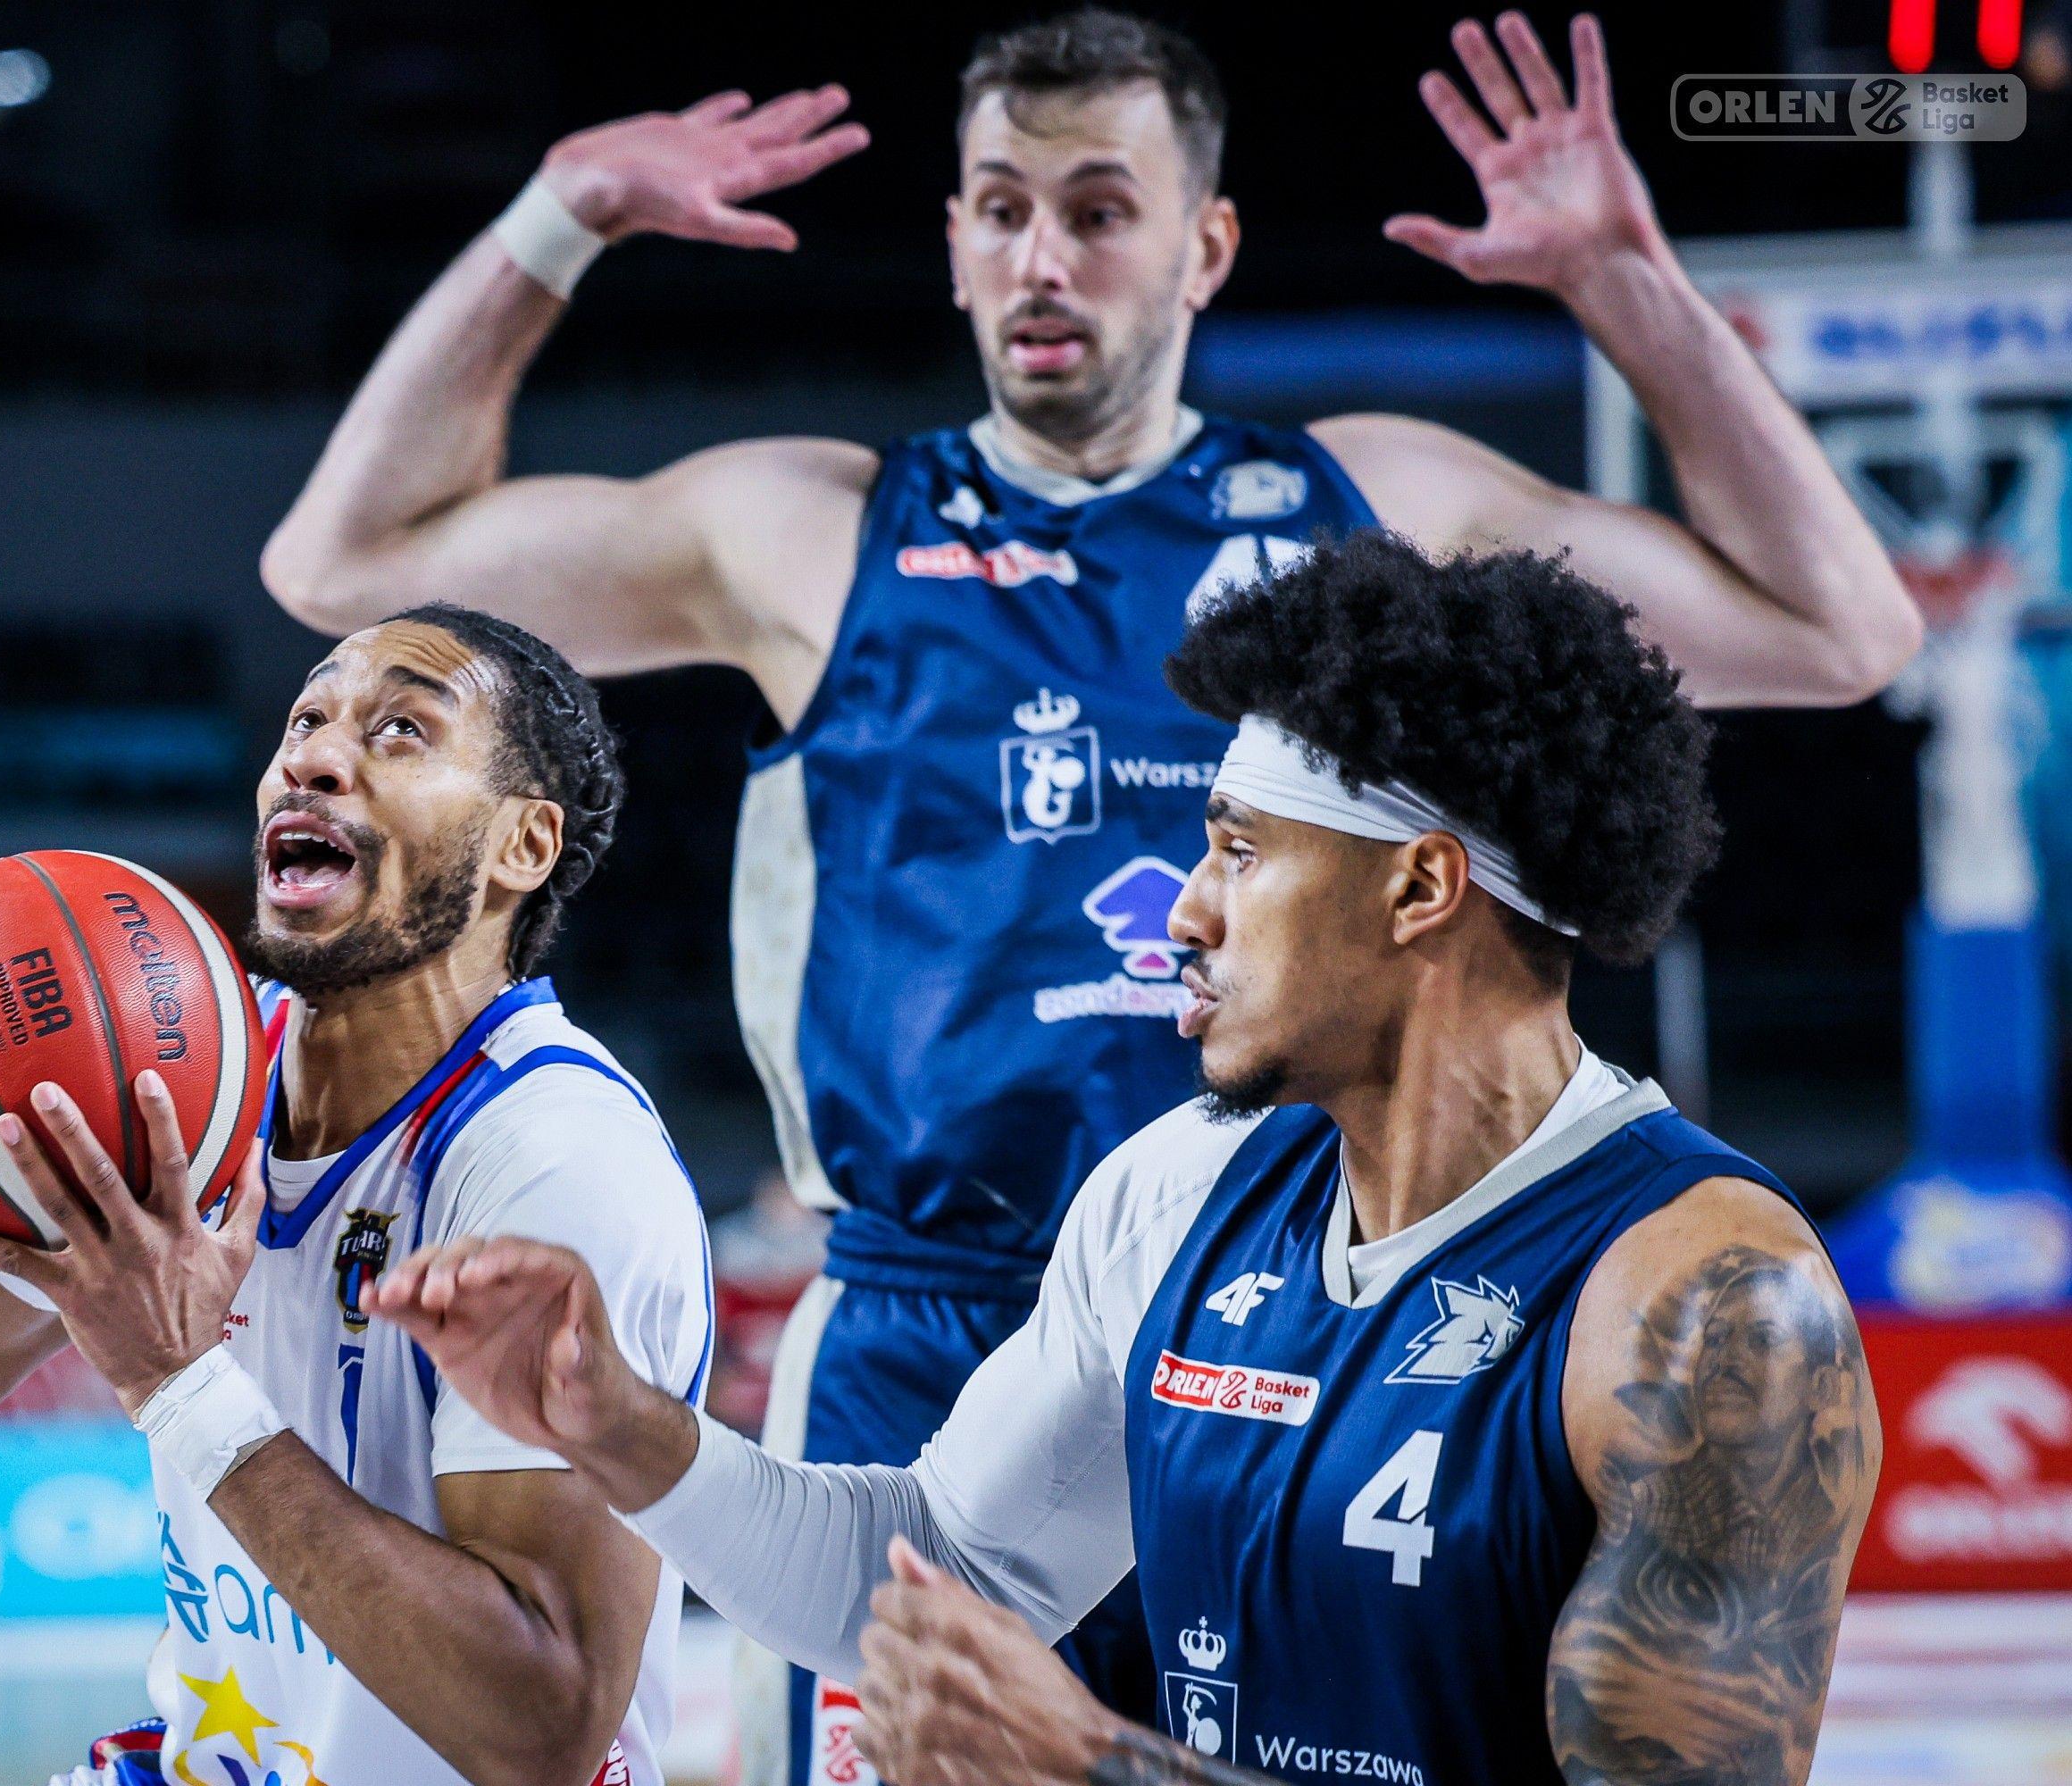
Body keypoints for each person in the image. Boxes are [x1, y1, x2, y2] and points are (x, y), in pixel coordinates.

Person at [261, 10, 1919, 1774]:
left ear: (1207, 244)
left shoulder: (1370, 503)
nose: (1042, 258)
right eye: (1000, 208)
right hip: (942, 1316)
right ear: (954, 241)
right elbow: (344, 562)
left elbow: (1840, 631)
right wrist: (560, 217)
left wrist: (1624, 283)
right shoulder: (818, 530)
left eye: (1100, 210)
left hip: (1307, 1273)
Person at [372, 536, 1884, 1786]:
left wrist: (1098, 1767)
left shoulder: (1713, 1303)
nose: (1183, 910)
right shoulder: (1182, 1187)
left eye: (1240, 850)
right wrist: (625, 1428)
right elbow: (926, 1565)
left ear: (1420, 886)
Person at [0, 607, 713, 1786]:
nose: (315, 756)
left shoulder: (556, 1159)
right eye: (307, 718)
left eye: (399, 730)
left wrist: (180, 1383)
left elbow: (544, 1727)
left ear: (522, 843)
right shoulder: (189, 1080)